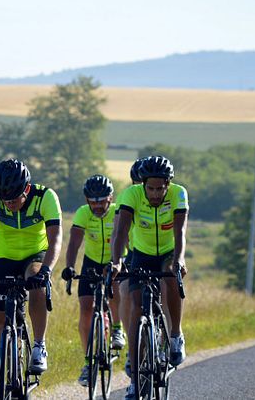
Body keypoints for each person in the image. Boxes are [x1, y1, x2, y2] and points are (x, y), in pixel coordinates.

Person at [0, 159, 62, 400]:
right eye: (4, 200)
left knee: (36, 278)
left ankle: (39, 345)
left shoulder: (45, 197)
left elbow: (56, 240)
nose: (8, 204)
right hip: (3, 259)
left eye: (13, 199)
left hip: (35, 255)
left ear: (27, 190)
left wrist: (46, 271)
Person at [109, 156, 189, 400]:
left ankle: (175, 335)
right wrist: (117, 261)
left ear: (168, 184)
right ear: (143, 185)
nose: (155, 194)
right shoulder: (131, 195)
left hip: (167, 252)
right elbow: (121, 231)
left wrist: (179, 259)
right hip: (141, 255)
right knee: (135, 305)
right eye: (150, 188)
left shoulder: (178, 194)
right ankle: (134, 375)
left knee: (172, 278)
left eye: (160, 188)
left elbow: (180, 231)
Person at [61, 174, 126, 387]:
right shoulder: (82, 213)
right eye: (92, 201)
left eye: (101, 200)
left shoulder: (118, 211)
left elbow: (126, 237)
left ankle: (117, 328)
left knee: (115, 287)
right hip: (91, 263)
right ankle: (89, 362)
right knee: (86, 308)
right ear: (87, 200)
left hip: (116, 260)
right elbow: (74, 243)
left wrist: (121, 261)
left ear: (110, 197)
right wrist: (70, 266)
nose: (97, 205)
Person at [113, 157, 146, 378]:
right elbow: (119, 231)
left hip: (158, 251)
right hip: (133, 253)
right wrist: (121, 260)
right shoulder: (128, 199)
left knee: (164, 285)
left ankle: (166, 340)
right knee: (125, 291)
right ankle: (131, 344)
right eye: (136, 181)